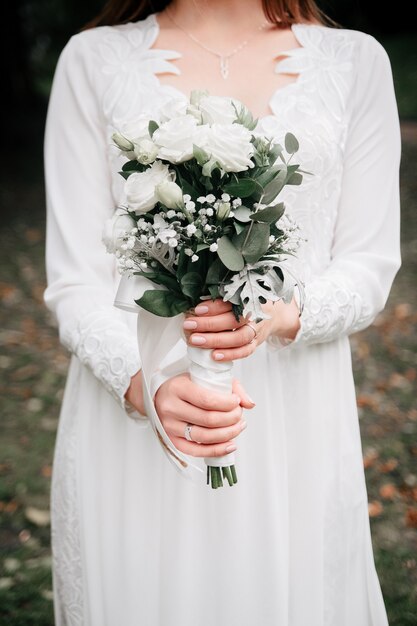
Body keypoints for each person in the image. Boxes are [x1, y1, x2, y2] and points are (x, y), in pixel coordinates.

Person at [43, 0, 401, 624]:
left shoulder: (356, 62)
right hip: (140, 409)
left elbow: (370, 263)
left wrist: (285, 313)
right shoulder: (93, 60)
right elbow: (75, 279)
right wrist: (144, 384)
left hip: (294, 417)